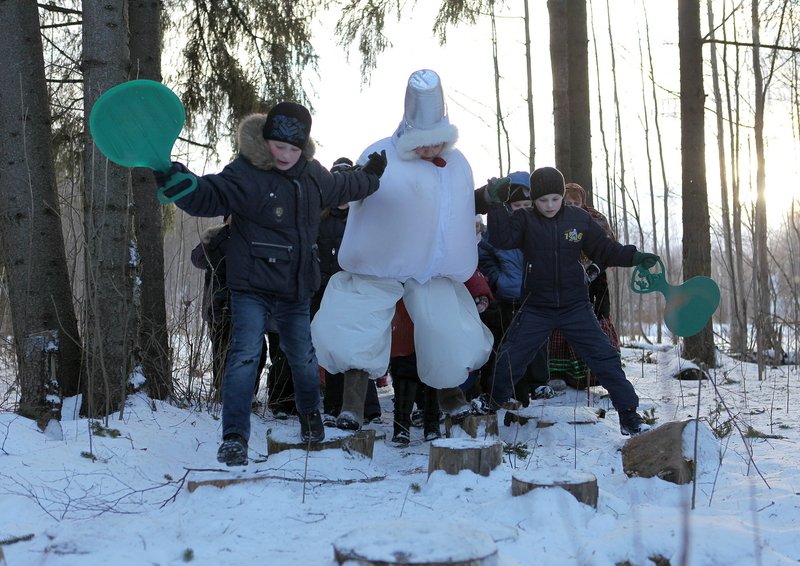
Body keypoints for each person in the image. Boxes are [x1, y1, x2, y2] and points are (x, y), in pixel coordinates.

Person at [154, 102, 387, 465]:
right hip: (251, 287)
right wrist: (179, 183)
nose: (285, 155)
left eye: (294, 149)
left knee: (304, 359)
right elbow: (207, 194)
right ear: (266, 140)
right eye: (279, 146)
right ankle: (234, 437)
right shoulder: (245, 173)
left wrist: (370, 175)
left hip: (295, 289)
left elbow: (344, 186)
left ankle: (310, 419)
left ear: (303, 148)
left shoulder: (312, 175)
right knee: (244, 356)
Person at [311, 69, 493, 432]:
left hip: (430, 269)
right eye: (422, 143)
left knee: (445, 329)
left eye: (436, 142)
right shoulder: (382, 155)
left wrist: (486, 198)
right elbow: (357, 194)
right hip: (379, 264)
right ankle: (352, 405)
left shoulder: (456, 166)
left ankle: (451, 398)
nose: (429, 149)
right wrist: (361, 178)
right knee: (356, 325)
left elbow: (456, 211)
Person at [474, 166, 657, 436]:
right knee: (512, 355)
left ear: (562, 196)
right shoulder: (525, 219)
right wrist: (497, 205)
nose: (549, 205)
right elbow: (502, 239)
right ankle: (492, 400)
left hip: (575, 305)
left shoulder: (579, 219)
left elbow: (604, 249)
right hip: (537, 305)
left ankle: (629, 414)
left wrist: (634, 257)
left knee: (604, 356)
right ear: (534, 199)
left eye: (555, 199)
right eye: (542, 200)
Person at [476, 172, 553, 406]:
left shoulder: (543, 227)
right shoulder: (498, 230)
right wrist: (498, 279)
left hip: (537, 294)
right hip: (509, 295)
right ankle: (513, 389)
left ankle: (539, 383)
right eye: (517, 205)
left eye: (527, 205)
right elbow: (485, 257)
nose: (522, 209)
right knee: (510, 343)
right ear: (508, 206)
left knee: (538, 341)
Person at [549, 182, 621, 389]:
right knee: (564, 323)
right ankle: (561, 374)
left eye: (576, 203)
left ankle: (598, 373)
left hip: (595, 280)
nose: (572, 206)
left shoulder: (596, 220)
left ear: (582, 203)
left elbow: (607, 248)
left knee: (595, 321)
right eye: (568, 202)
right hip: (565, 279)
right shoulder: (554, 220)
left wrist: (594, 268)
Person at [190, 215, 266, 403]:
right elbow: (197, 260)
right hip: (218, 305)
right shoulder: (215, 237)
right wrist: (207, 240)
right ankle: (223, 391)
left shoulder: (256, 236)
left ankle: (248, 392)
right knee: (221, 350)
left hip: (248, 305)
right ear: (226, 218)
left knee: (257, 350)